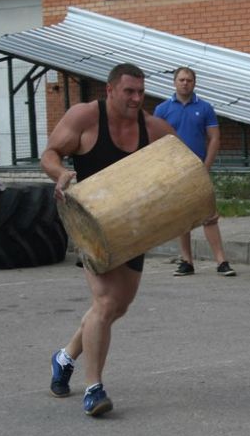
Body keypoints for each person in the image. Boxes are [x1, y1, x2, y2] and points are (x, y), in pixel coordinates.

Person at [41, 63, 174, 417]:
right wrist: (61, 173)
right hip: (89, 224)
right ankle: (93, 389)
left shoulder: (155, 128)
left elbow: (181, 166)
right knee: (103, 301)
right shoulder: (84, 117)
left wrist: (198, 204)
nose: (136, 98)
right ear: (110, 90)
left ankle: (65, 356)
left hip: (133, 226)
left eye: (141, 92)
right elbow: (50, 154)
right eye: (129, 91)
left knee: (119, 305)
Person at [154, 67, 236, 277]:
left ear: (194, 83)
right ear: (174, 82)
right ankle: (186, 261)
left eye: (189, 80)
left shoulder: (205, 108)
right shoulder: (162, 110)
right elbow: (156, 142)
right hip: (175, 172)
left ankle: (222, 261)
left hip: (199, 169)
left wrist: (205, 166)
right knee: (183, 218)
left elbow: (215, 138)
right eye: (181, 80)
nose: (185, 83)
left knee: (209, 215)